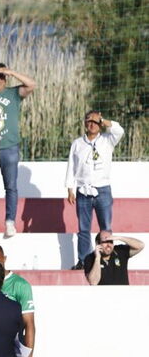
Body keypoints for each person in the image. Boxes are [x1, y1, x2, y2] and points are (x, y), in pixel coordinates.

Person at [0, 63, 37, 238]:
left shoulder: (13, 93)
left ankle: (9, 221)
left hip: (9, 147)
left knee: (10, 187)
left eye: (1, 76)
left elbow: (32, 85)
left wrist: (10, 72)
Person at [65, 112, 125, 269]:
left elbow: (119, 131)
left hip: (102, 189)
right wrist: (70, 187)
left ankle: (108, 258)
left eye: (95, 121)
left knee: (105, 228)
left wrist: (103, 120)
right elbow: (71, 166)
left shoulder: (107, 140)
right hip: (83, 191)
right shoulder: (77, 143)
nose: (92, 124)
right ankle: (84, 260)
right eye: (89, 121)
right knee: (83, 229)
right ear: (85, 123)